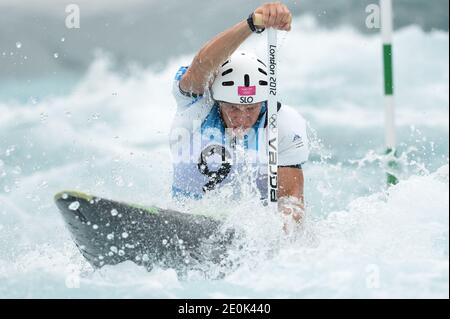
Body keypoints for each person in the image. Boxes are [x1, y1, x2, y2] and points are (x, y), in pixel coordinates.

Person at [170, 2, 309, 225]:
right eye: (233, 107)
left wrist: (283, 226)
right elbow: (202, 65)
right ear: (218, 101)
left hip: (253, 231)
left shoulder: (283, 123)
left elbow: (292, 201)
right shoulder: (196, 105)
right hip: (184, 218)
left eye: (251, 109)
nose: (242, 117)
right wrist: (251, 24)